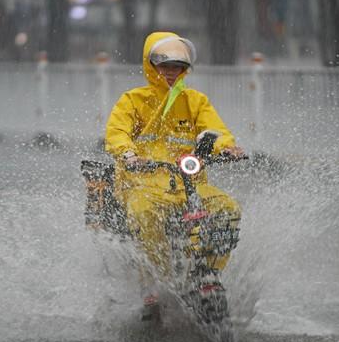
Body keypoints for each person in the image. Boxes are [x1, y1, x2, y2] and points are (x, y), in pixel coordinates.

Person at [104, 31, 244, 317]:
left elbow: (215, 132)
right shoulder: (132, 100)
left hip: (188, 185)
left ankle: (206, 274)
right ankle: (153, 278)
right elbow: (117, 133)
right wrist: (130, 155)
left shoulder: (195, 101)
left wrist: (227, 148)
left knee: (228, 209)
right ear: (151, 66)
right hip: (142, 186)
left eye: (176, 67)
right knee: (144, 214)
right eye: (164, 66)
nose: (170, 73)